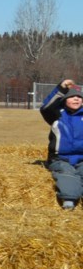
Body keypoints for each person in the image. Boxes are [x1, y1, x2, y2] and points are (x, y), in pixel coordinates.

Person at [41, 80, 83, 210]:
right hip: (60, 158)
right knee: (67, 173)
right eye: (71, 97)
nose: (76, 99)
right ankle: (69, 200)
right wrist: (61, 88)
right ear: (64, 100)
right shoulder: (56, 115)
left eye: (79, 97)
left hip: (81, 158)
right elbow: (45, 107)